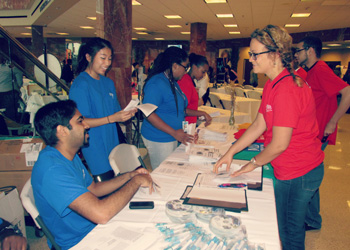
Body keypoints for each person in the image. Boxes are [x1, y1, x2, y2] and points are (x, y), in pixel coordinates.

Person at [214, 25, 324, 250]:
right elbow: (259, 124)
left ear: (274, 55)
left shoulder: (287, 89)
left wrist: (252, 164)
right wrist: (230, 152)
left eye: (255, 54)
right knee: (283, 227)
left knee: (289, 232)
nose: (251, 59)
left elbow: (279, 144)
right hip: (291, 168)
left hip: (299, 171)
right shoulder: (274, 84)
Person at [32, 100, 153, 250]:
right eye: (80, 122)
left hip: (93, 228)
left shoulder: (68, 155)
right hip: (80, 241)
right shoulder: (52, 170)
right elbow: (102, 214)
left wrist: (130, 176)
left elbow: (94, 188)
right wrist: (135, 182)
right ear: (62, 131)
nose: (87, 125)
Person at [295, 36, 350, 231]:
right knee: (309, 174)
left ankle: (312, 220)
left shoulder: (321, 69)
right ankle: (310, 217)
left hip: (319, 133)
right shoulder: (307, 71)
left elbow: (347, 92)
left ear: (310, 50)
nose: (296, 53)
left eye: (299, 50)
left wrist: (333, 121)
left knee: (310, 175)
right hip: (310, 132)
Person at [69, 37, 137, 182]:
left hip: (112, 141)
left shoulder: (108, 82)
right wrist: (112, 118)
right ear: (88, 57)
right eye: (103, 58)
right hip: (94, 145)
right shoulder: (81, 85)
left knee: (120, 182)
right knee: (106, 185)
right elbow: (81, 121)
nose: (107, 63)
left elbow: (115, 112)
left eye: (109, 58)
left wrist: (126, 114)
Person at [141, 47, 194, 170]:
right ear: (175, 65)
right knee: (164, 172)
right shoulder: (157, 83)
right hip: (159, 137)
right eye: (185, 67)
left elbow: (178, 109)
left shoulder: (171, 81)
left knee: (172, 169)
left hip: (172, 135)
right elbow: (148, 113)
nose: (186, 71)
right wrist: (174, 132)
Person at [177, 53, 212, 124]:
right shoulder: (185, 81)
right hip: (185, 125)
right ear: (194, 67)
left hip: (189, 124)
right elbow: (182, 109)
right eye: (203, 72)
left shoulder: (189, 80)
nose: (204, 75)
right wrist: (202, 113)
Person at [0, 55, 23, 121]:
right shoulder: (15, 69)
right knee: (11, 116)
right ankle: (13, 128)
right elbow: (19, 83)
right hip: (10, 95)